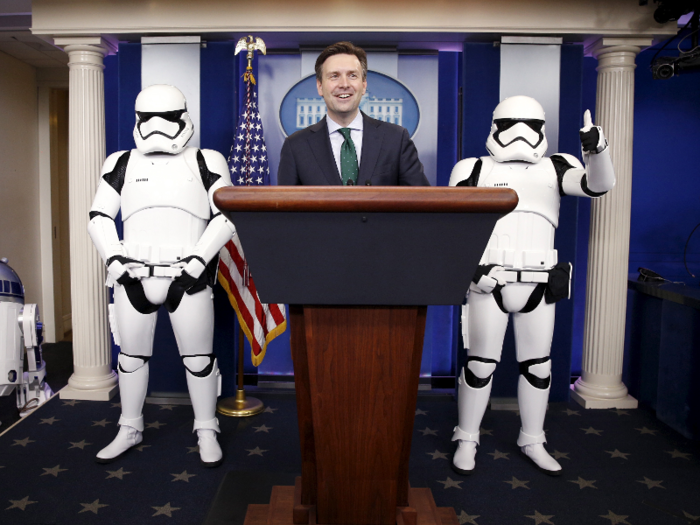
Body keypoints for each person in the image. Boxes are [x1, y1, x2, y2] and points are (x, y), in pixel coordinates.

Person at [448, 96, 615, 476]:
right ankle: (467, 436)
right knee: (479, 365)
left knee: (538, 367)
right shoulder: (473, 168)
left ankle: (533, 438)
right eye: (511, 123)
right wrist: (471, 270)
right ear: (495, 126)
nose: (520, 133)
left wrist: (597, 149)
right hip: (490, 281)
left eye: (530, 124)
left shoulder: (559, 166)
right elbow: (451, 226)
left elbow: (598, 186)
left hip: (540, 282)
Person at [88, 84, 235, 467]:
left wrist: (197, 264)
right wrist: (117, 264)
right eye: (147, 119)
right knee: (131, 358)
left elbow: (227, 215)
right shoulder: (120, 161)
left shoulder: (207, 159)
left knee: (199, 359)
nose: (157, 128)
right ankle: (129, 426)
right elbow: (99, 216)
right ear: (136, 120)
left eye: (167, 118)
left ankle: (206, 427)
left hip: (188, 277)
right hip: (131, 277)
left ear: (183, 118)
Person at [278, 41, 429, 187]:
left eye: (352, 75)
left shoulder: (396, 139)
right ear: (320, 86)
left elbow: (421, 204)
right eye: (334, 76)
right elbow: (285, 209)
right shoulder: (296, 146)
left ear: (364, 85)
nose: (344, 84)